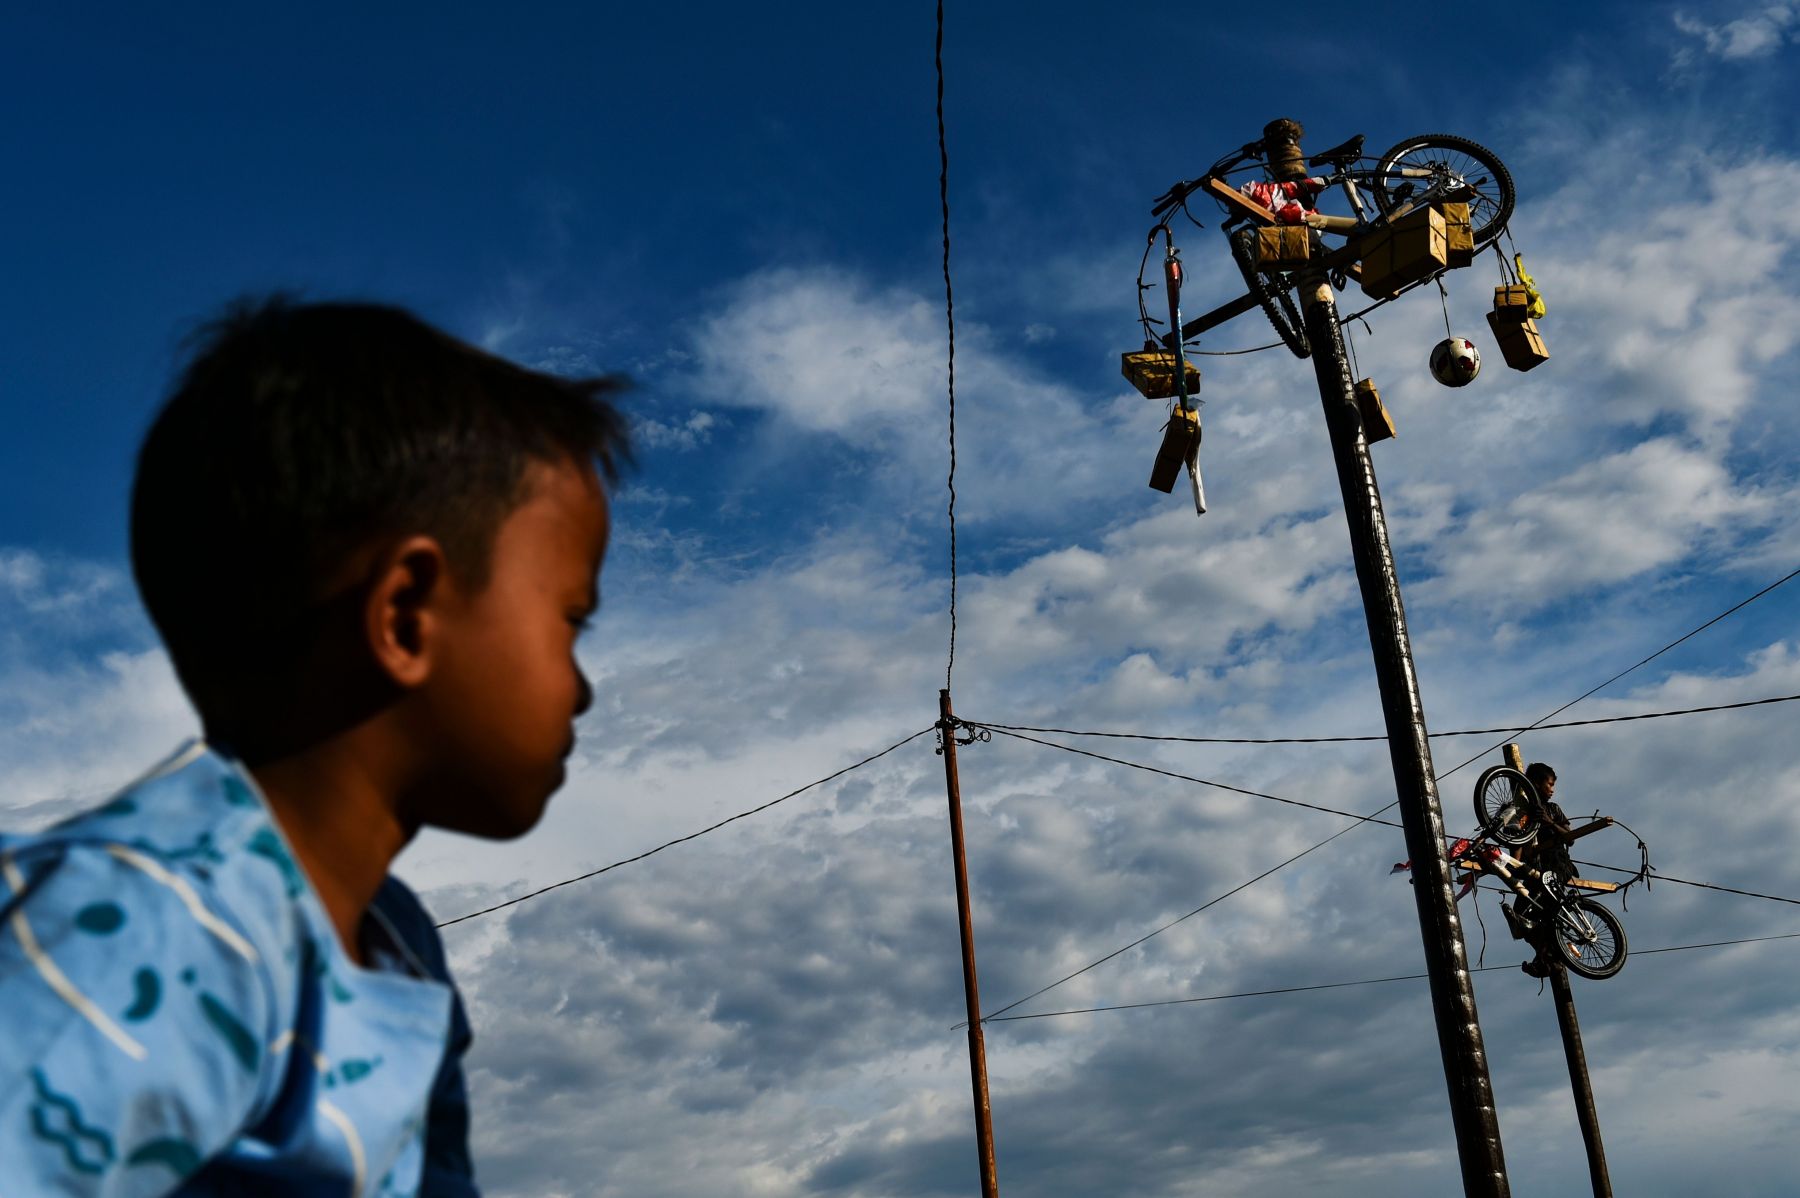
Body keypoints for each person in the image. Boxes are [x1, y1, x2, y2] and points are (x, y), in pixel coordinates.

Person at [0, 298, 629, 1195]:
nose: (583, 687)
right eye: (572, 620)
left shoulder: (397, 947)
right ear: (404, 615)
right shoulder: (146, 925)